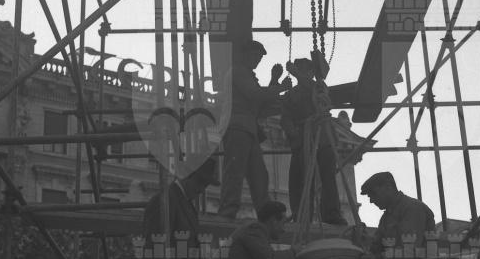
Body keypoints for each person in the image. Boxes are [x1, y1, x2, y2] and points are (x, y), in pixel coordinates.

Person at [218, 40, 292, 219]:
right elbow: (255, 94)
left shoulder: (246, 75)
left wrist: (274, 81)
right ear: (246, 54)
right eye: (256, 57)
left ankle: (265, 213)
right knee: (235, 171)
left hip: (248, 129)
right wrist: (280, 87)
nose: (258, 61)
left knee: (259, 174)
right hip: (237, 127)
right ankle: (228, 211)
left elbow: (260, 102)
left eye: (259, 58)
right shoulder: (238, 72)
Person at [281, 57, 347, 225]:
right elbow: (285, 117)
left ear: (311, 72)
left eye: (306, 70)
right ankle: (302, 216)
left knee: (327, 177)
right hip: (302, 138)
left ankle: (331, 214)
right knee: (300, 179)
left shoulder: (318, 87)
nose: (304, 73)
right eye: (301, 69)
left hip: (322, 136)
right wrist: (293, 133)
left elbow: (316, 91)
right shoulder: (291, 95)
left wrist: (297, 73)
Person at [143, 155, 220, 246]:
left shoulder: (186, 203)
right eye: (199, 182)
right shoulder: (164, 201)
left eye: (205, 185)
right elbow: (156, 246)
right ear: (186, 175)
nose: (202, 190)